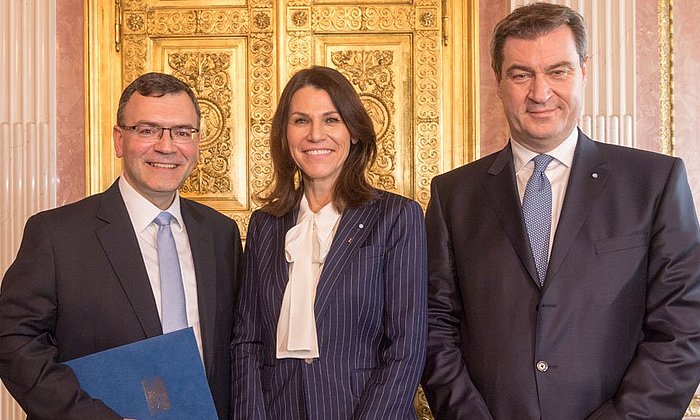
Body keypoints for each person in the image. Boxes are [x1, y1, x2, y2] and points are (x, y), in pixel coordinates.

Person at [421, 3, 700, 419]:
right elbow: (435, 328)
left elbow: (683, 328)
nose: (540, 92)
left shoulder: (655, 183)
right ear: (498, 81)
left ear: (583, 71)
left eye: (558, 71)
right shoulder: (453, 195)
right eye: (521, 74)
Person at [0, 72, 242, 419]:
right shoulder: (56, 234)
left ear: (197, 142)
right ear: (119, 140)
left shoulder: (221, 234)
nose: (167, 146)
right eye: (147, 130)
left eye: (182, 132)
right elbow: (13, 340)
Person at [231, 65, 427, 419]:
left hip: (363, 410)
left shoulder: (397, 217)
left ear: (353, 131)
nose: (315, 135)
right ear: (285, 134)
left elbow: (406, 347)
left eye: (331, 120)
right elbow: (248, 341)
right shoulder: (265, 225)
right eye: (301, 121)